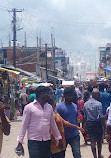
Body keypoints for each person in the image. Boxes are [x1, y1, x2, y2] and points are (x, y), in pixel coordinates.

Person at [16, 86, 63, 158]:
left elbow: (53, 124)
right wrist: (20, 142)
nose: (49, 96)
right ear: (41, 94)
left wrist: (59, 138)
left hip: (47, 141)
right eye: (47, 94)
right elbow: (24, 125)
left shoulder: (49, 107)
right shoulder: (29, 107)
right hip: (34, 141)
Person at [55, 86, 81, 158]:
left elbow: (76, 118)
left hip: (74, 135)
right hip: (63, 135)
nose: (70, 97)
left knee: (77, 154)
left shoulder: (75, 106)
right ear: (65, 95)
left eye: (72, 95)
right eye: (69, 95)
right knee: (61, 155)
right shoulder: (59, 107)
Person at [83, 89, 104, 158]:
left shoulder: (86, 103)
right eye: (99, 95)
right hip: (97, 123)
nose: (100, 96)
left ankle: (95, 156)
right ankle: (99, 155)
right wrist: (104, 126)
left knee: (92, 140)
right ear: (96, 95)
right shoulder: (99, 104)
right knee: (99, 140)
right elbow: (100, 116)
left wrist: (84, 125)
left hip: (89, 123)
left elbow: (85, 116)